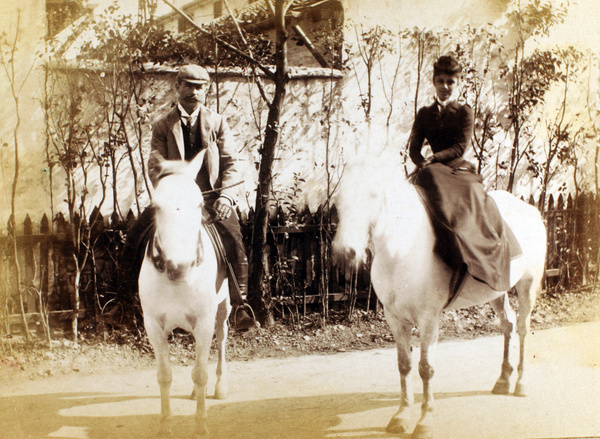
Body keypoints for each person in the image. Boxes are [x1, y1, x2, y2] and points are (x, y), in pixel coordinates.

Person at [123, 64, 255, 331]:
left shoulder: (218, 123)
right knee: (135, 236)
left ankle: (241, 304)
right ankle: (121, 303)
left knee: (234, 238)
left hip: (212, 200)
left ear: (206, 91)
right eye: (189, 85)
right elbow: (155, 165)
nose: (195, 92)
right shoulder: (162, 125)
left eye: (200, 87)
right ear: (177, 87)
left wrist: (227, 197)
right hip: (175, 199)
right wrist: (171, 194)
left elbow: (231, 163)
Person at [407, 55, 520, 299]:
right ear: (433, 81)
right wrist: (422, 163)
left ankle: (471, 255)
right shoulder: (424, 113)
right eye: (440, 80)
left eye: (450, 81)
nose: (445, 86)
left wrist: (434, 159)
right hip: (430, 170)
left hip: (457, 169)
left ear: (457, 83)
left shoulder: (464, 112)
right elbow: (414, 149)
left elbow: (460, 147)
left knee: (468, 198)